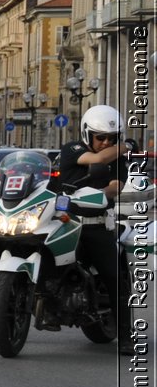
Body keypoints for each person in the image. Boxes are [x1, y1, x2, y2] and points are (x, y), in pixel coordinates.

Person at [57, 104, 132, 354]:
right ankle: (8, 316)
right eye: (101, 137)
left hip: (95, 225)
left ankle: (126, 336)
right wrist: (128, 145)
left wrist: (103, 192)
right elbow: (98, 159)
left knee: (115, 277)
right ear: (88, 134)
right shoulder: (72, 149)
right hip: (64, 222)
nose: (106, 142)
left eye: (113, 138)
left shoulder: (118, 161)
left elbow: (115, 187)